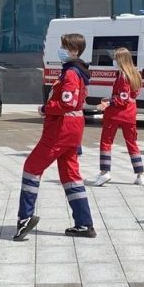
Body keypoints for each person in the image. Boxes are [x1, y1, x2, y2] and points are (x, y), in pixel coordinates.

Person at [14, 33, 96, 241]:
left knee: (32, 168)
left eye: (64, 47)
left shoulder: (70, 73)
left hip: (61, 127)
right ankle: (84, 223)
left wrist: (45, 108)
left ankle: (25, 217)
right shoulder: (78, 71)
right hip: (73, 127)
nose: (61, 49)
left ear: (74, 50)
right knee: (70, 174)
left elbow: (67, 102)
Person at [94, 47, 144, 187]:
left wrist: (108, 102)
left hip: (116, 114)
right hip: (130, 114)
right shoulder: (135, 74)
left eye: (116, 58)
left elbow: (123, 98)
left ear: (121, 60)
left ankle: (104, 173)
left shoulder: (123, 76)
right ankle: (140, 174)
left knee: (106, 142)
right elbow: (131, 97)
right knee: (132, 142)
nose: (114, 61)